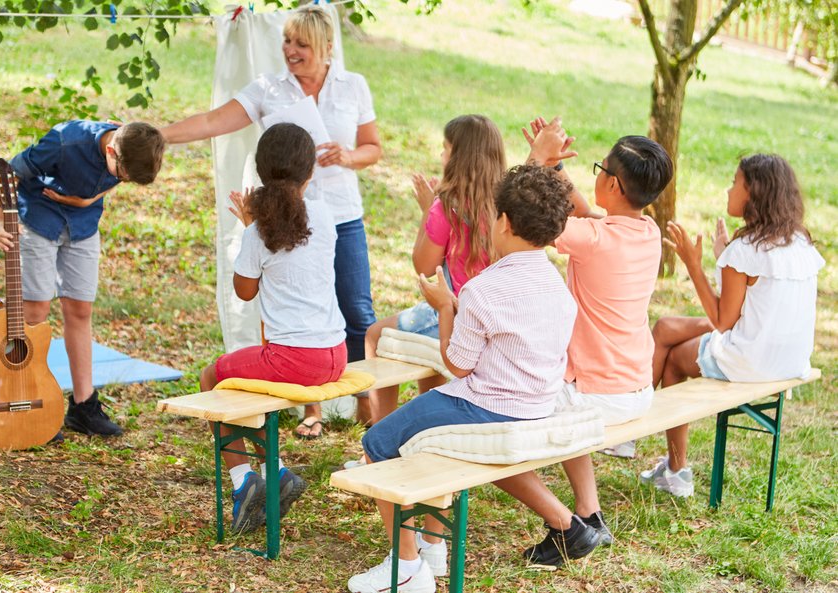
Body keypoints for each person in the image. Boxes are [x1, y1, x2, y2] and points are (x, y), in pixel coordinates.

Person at [348, 164, 600, 593]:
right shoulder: (558, 286)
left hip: (485, 405)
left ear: (502, 221)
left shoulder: (482, 289)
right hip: (537, 402)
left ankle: (405, 567)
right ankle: (430, 547)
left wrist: (446, 308)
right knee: (422, 433)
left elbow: (459, 365)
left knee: (376, 444)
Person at [160, 5, 381, 439]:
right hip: (284, 219)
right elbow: (211, 121)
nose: (291, 51)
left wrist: (349, 156)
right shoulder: (269, 89)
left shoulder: (353, 86)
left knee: (356, 310)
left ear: (327, 47)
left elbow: (373, 147)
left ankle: (365, 408)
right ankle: (310, 411)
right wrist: (159, 134)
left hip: (339, 215)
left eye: (302, 44)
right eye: (287, 41)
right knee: (284, 307)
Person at [525, 118, 674, 544]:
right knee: (565, 397)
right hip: (635, 388)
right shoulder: (647, 232)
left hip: (594, 395)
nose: (596, 177)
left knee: (505, 402)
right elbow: (587, 214)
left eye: (600, 170)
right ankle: (591, 516)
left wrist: (536, 160)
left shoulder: (593, 238)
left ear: (614, 186)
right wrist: (554, 169)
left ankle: (569, 529)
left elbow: (527, 213)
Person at [643, 154, 824, 497]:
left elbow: (723, 321)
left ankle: (675, 469)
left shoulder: (745, 248)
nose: (728, 189)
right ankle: (666, 462)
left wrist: (694, 265)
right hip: (790, 359)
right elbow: (750, 303)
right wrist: (723, 255)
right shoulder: (799, 241)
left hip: (750, 360)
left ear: (752, 193)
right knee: (668, 326)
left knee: (673, 359)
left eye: (733, 182)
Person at [198, 123, 348, 533]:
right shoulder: (325, 215)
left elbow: (244, 292)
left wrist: (248, 228)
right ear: (311, 172)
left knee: (212, 377)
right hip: (335, 353)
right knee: (248, 385)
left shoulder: (259, 231)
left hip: (295, 359)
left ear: (261, 173)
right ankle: (277, 471)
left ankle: (244, 480)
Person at [0, 120, 165, 438]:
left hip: (83, 224)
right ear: (111, 150)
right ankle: (22, 397)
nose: (121, 181)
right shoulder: (64, 142)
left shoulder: (135, 144)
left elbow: (119, 175)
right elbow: (9, 171)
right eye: (121, 176)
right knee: (35, 313)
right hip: (39, 218)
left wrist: (86, 200)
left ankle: (83, 407)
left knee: (80, 310)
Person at [359, 114, 506, 429]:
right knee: (430, 338)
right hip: (496, 317)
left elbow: (424, 269)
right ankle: (432, 427)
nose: (441, 156)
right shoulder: (505, 203)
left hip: (457, 315)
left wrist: (429, 210)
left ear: (459, 158)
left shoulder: (447, 205)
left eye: (445, 148)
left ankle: (378, 433)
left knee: (376, 334)